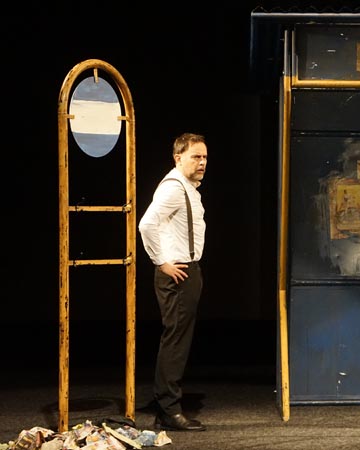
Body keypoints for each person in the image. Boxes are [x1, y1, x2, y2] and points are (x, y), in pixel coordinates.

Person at [139, 133, 209, 432]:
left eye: (204, 157)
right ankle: (169, 409)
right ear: (178, 158)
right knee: (176, 341)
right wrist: (161, 262)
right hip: (177, 273)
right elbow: (146, 224)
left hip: (188, 271)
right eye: (196, 156)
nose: (202, 162)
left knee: (179, 339)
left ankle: (166, 407)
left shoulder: (187, 188)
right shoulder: (173, 188)